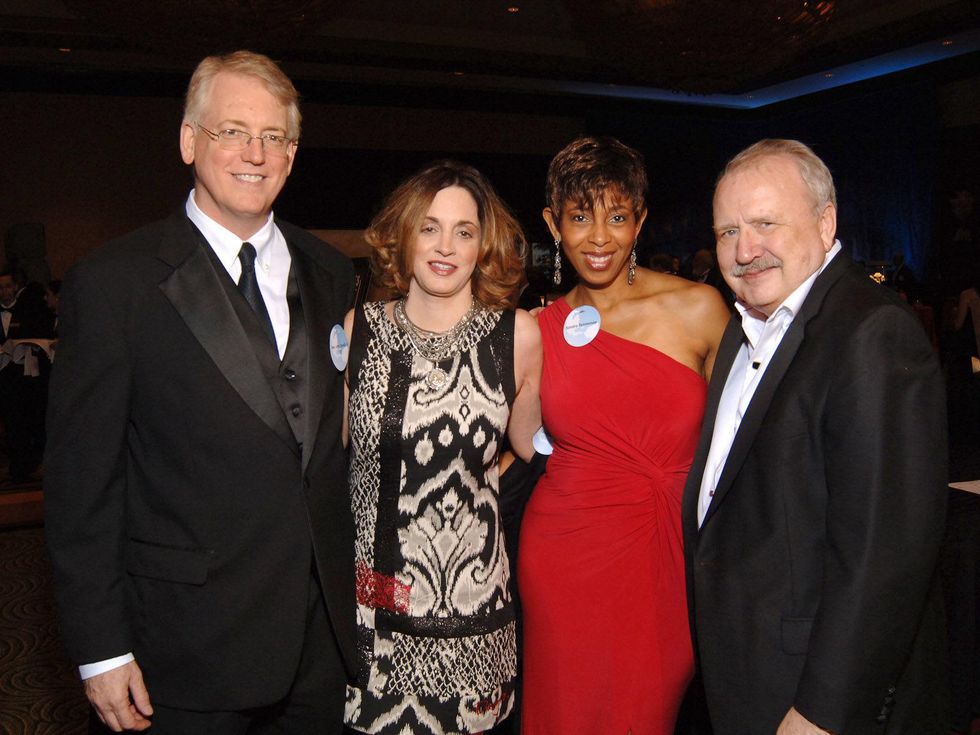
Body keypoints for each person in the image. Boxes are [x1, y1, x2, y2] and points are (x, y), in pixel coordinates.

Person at [44, 51, 356, 733]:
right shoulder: (115, 283)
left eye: (274, 136)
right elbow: (81, 485)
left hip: (319, 649)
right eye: (231, 131)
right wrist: (101, 648)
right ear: (189, 141)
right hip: (180, 653)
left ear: (293, 152)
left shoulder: (332, 272)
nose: (255, 152)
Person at [682, 139, 947, 734]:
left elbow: (885, 554)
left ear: (826, 222)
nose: (745, 250)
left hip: (815, 697)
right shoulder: (741, 331)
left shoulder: (871, 332)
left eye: (765, 223)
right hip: (747, 675)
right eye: (727, 232)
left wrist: (824, 711)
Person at [518, 136, 729, 733]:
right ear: (552, 224)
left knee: (647, 709)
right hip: (564, 556)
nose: (600, 237)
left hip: (667, 555)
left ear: (641, 220)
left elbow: (742, 437)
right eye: (580, 217)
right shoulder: (540, 329)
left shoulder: (700, 310)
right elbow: (518, 440)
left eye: (617, 216)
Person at [342, 160, 542, 734]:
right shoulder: (360, 328)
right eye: (429, 227)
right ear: (403, 235)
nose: (445, 246)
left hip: (474, 625)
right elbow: (336, 457)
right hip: (371, 620)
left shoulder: (516, 335)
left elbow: (533, 453)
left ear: (484, 244)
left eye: (464, 231)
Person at [0, 267, 54, 483]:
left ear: (15, 287)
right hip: (3, 376)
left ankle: (34, 462)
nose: (4, 291)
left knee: (31, 418)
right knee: (11, 420)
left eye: (7, 286)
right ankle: (17, 465)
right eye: (0, 288)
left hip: (26, 374)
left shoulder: (28, 309)